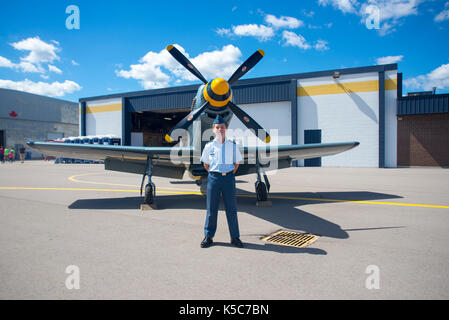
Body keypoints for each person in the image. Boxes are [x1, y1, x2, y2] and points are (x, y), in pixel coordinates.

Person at [200, 115, 244, 248]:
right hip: (213, 178)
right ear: (213, 129)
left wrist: (227, 174)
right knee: (211, 209)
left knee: (232, 209)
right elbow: (206, 164)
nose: (220, 129)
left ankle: (235, 237)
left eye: (222, 127)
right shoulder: (209, 146)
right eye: (217, 127)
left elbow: (236, 164)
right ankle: (208, 236)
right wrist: (215, 173)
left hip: (229, 179)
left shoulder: (232, 146)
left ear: (226, 129)